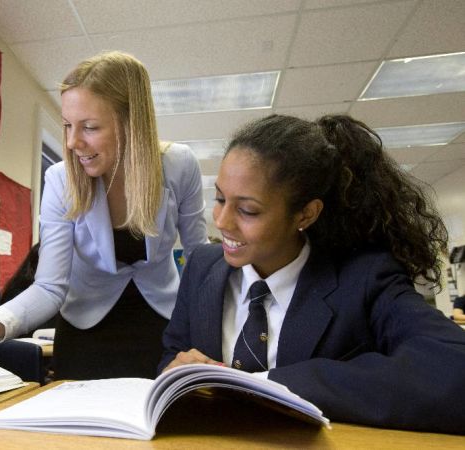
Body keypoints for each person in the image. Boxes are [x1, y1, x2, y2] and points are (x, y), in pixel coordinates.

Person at [159, 114, 465, 434]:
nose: (221, 222)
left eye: (247, 210)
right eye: (220, 198)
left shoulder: (363, 277)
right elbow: (173, 353)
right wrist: (177, 370)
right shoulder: (201, 267)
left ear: (306, 213)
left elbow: (454, 369)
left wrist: (260, 386)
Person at [0, 51, 208, 380]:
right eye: (67, 125)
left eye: (90, 127)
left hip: (160, 322)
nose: (72, 142)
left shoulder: (179, 165)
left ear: (132, 123)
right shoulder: (60, 180)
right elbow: (49, 287)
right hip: (85, 326)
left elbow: (201, 261)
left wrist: (207, 333)